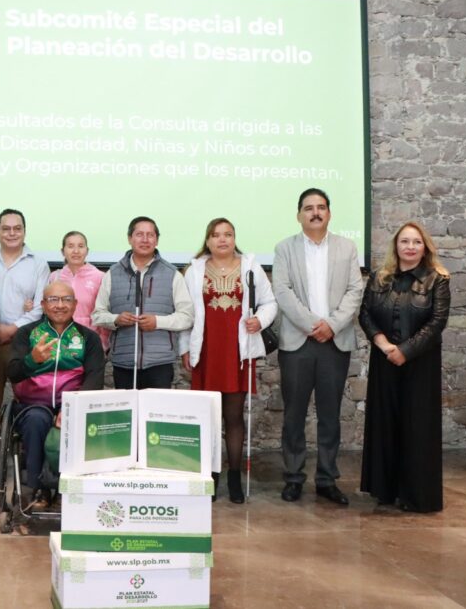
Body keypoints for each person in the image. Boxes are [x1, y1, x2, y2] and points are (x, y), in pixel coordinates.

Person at [273, 188, 364, 506]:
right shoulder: (284, 248)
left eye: (321, 207)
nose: (315, 212)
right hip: (298, 343)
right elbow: (282, 291)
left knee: (330, 415)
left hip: (334, 342)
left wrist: (332, 325)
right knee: (294, 415)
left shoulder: (346, 247)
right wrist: (314, 324)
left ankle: (327, 479)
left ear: (329, 213)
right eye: (309, 208)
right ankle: (294, 477)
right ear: (299, 215)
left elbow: (355, 290)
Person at [180, 218, 278, 504]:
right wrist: (185, 348)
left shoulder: (250, 267)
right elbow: (187, 313)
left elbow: (270, 302)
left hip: (237, 352)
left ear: (235, 238)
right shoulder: (194, 270)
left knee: (233, 417)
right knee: (207, 418)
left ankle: (234, 475)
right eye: (216, 235)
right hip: (206, 351)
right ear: (207, 240)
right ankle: (210, 475)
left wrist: (259, 320)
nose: (222, 240)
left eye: (228, 234)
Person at [359, 221, 450, 512]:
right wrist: (384, 344)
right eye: (405, 241)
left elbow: (437, 322)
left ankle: (415, 495)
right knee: (385, 424)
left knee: (417, 428)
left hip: (420, 364)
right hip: (385, 360)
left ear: (425, 248)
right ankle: (385, 490)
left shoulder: (438, 279)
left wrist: (406, 351)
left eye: (416, 242)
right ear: (396, 246)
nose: (410, 247)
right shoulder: (379, 278)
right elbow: (365, 314)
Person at [6, 281, 104, 510]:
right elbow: (12, 372)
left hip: (72, 404)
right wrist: (32, 360)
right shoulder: (27, 334)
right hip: (33, 404)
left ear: (75, 304)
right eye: (53, 299)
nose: (60, 305)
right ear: (43, 304)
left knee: (75, 424)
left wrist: (71, 409)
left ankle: (66, 488)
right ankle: (38, 488)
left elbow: (95, 378)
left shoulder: (88, 338)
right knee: (36, 420)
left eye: (66, 299)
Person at [0, 209, 50, 484]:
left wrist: (14, 327)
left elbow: (41, 305)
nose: (11, 233)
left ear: (24, 231)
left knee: (31, 403)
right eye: (6, 228)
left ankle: (30, 461)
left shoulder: (38, 264)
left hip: (25, 343)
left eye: (17, 228)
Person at [92, 216, 194, 389]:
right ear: (129, 238)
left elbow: (187, 317)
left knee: (156, 407)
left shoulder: (172, 274)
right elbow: (97, 315)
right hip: (123, 362)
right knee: (126, 407)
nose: (145, 240)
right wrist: (116, 319)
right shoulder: (112, 274)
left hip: (160, 363)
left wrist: (157, 322)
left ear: (157, 240)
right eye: (139, 234)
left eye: (150, 235)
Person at [47, 230, 109, 351]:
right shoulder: (54, 277)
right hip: (59, 344)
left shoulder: (100, 277)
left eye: (81, 246)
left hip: (89, 343)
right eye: (70, 246)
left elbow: (105, 313)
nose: (76, 251)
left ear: (87, 250)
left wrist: (102, 345)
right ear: (63, 251)